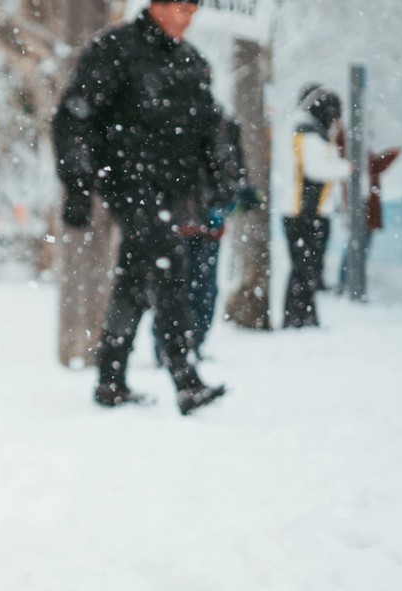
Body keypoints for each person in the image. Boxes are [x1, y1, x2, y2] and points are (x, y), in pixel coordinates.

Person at [52, 0, 227, 415]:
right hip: (127, 181)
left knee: (134, 282)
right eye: (180, 8)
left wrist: (220, 182)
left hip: (171, 189)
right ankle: (186, 379)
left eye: (193, 10)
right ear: (158, 6)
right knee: (170, 268)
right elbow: (74, 116)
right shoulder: (116, 48)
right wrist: (77, 184)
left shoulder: (190, 60)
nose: (187, 18)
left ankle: (111, 381)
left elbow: (209, 126)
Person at [153, 116, 256, 362]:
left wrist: (236, 194)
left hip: (203, 223)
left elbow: (232, 171)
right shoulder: (177, 122)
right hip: (183, 223)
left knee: (198, 290)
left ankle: (188, 345)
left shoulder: (224, 126)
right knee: (184, 289)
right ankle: (173, 348)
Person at [284, 84, 351, 327]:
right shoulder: (308, 131)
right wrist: (347, 168)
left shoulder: (307, 129)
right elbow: (316, 169)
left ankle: (303, 315)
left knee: (307, 267)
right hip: (302, 211)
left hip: (308, 210)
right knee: (304, 267)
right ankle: (298, 317)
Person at [338, 147, 401, 296]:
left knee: (355, 249)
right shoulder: (356, 150)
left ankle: (348, 284)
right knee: (357, 250)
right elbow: (375, 166)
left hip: (363, 210)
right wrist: (393, 154)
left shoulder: (357, 151)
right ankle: (349, 285)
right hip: (363, 211)